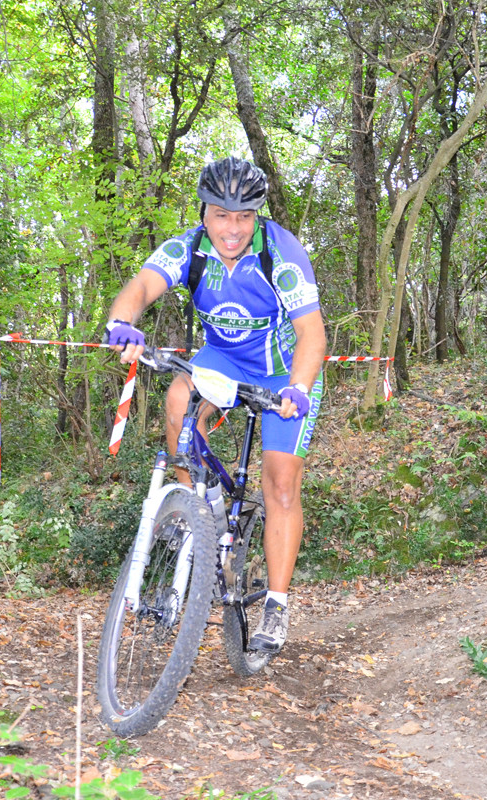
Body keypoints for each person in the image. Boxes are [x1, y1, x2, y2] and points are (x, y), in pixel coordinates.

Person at [105, 156, 326, 654]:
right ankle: (198, 517)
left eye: (244, 216)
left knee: (281, 484)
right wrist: (122, 322)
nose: (232, 228)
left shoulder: (281, 253)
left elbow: (312, 333)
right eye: (222, 215)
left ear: (257, 215)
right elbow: (141, 287)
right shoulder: (190, 248)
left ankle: (276, 604)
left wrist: (298, 388)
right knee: (178, 400)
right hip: (220, 360)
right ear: (204, 211)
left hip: (282, 371)